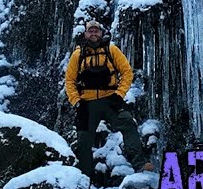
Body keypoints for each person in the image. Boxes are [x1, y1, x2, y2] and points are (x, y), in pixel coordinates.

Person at [65, 20, 153, 177]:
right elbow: (70, 81)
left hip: (110, 100)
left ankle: (140, 164)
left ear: (101, 33)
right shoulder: (78, 54)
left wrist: (119, 95)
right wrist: (76, 102)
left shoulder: (111, 49)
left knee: (127, 123)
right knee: (84, 139)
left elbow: (126, 72)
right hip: (87, 103)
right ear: (85, 34)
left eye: (96, 31)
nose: (93, 34)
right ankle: (85, 177)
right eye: (90, 31)